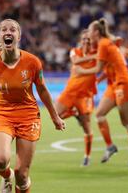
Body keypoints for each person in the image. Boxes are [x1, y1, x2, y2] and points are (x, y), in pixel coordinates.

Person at [0, 19, 65, 193]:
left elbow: (42, 90)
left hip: (28, 116)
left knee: (22, 174)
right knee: (0, 161)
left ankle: (17, 180)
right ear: (0, 36)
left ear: (18, 36)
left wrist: (55, 116)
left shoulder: (32, 62)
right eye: (4, 29)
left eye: (13, 29)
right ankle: (6, 177)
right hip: (3, 115)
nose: (8, 32)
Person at [75, 18, 128, 167]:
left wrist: (82, 71)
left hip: (124, 84)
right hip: (114, 85)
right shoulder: (105, 43)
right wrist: (98, 81)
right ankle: (110, 146)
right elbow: (108, 68)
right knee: (99, 114)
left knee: (126, 122)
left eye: (90, 30)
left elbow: (98, 68)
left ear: (97, 32)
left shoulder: (104, 44)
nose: (88, 33)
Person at [55, 29, 96, 166]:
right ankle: (74, 113)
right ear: (80, 40)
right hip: (70, 91)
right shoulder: (75, 51)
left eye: (88, 39)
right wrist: (94, 58)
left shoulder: (97, 53)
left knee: (87, 128)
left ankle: (87, 156)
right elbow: (75, 61)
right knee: (55, 115)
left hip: (85, 95)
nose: (86, 41)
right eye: (84, 39)